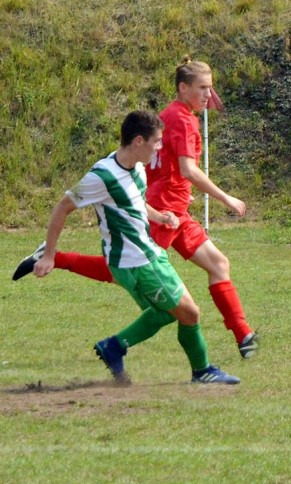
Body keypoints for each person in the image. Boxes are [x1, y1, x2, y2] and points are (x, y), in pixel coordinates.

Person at [13, 56, 259, 360]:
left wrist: (176, 192)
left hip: (173, 210)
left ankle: (243, 334)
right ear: (184, 88)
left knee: (218, 264)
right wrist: (226, 198)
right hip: (164, 209)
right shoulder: (183, 120)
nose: (209, 94)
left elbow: (158, 163)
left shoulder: (169, 114)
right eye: (203, 87)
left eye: (210, 87)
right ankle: (56, 259)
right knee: (124, 269)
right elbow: (187, 169)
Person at [32, 110, 240, 385]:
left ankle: (114, 347)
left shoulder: (138, 168)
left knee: (166, 313)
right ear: (139, 141)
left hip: (142, 255)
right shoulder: (102, 176)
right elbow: (63, 207)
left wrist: (160, 217)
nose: (160, 147)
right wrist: (49, 255)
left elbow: (137, 203)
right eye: (156, 141)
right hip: (138, 261)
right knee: (190, 312)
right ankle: (202, 371)